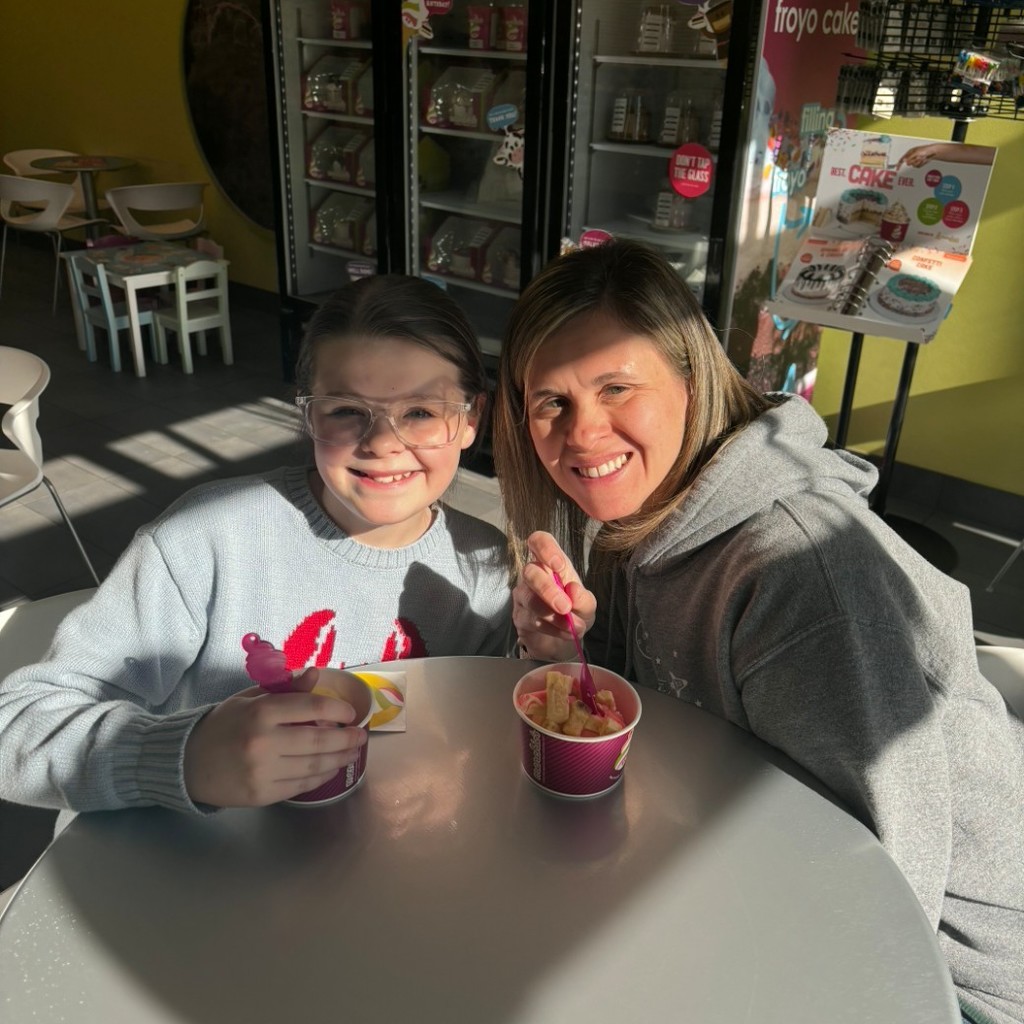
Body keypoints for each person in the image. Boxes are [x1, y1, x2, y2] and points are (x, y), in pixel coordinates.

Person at [492, 238, 1023, 1024]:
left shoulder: (800, 575)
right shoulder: (648, 519)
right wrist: (569, 649)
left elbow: (878, 886)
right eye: (552, 403)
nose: (582, 434)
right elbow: (677, 693)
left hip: (947, 977)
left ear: (691, 379)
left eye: (616, 387)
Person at [0, 274, 511, 814]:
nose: (383, 442)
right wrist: (186, 757)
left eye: (421, 412)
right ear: (308, 414)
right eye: (345, 410)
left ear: (471, 418)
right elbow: (18, 728)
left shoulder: (485, 566)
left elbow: (452, 719)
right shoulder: (206, 540)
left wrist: (531, 662)